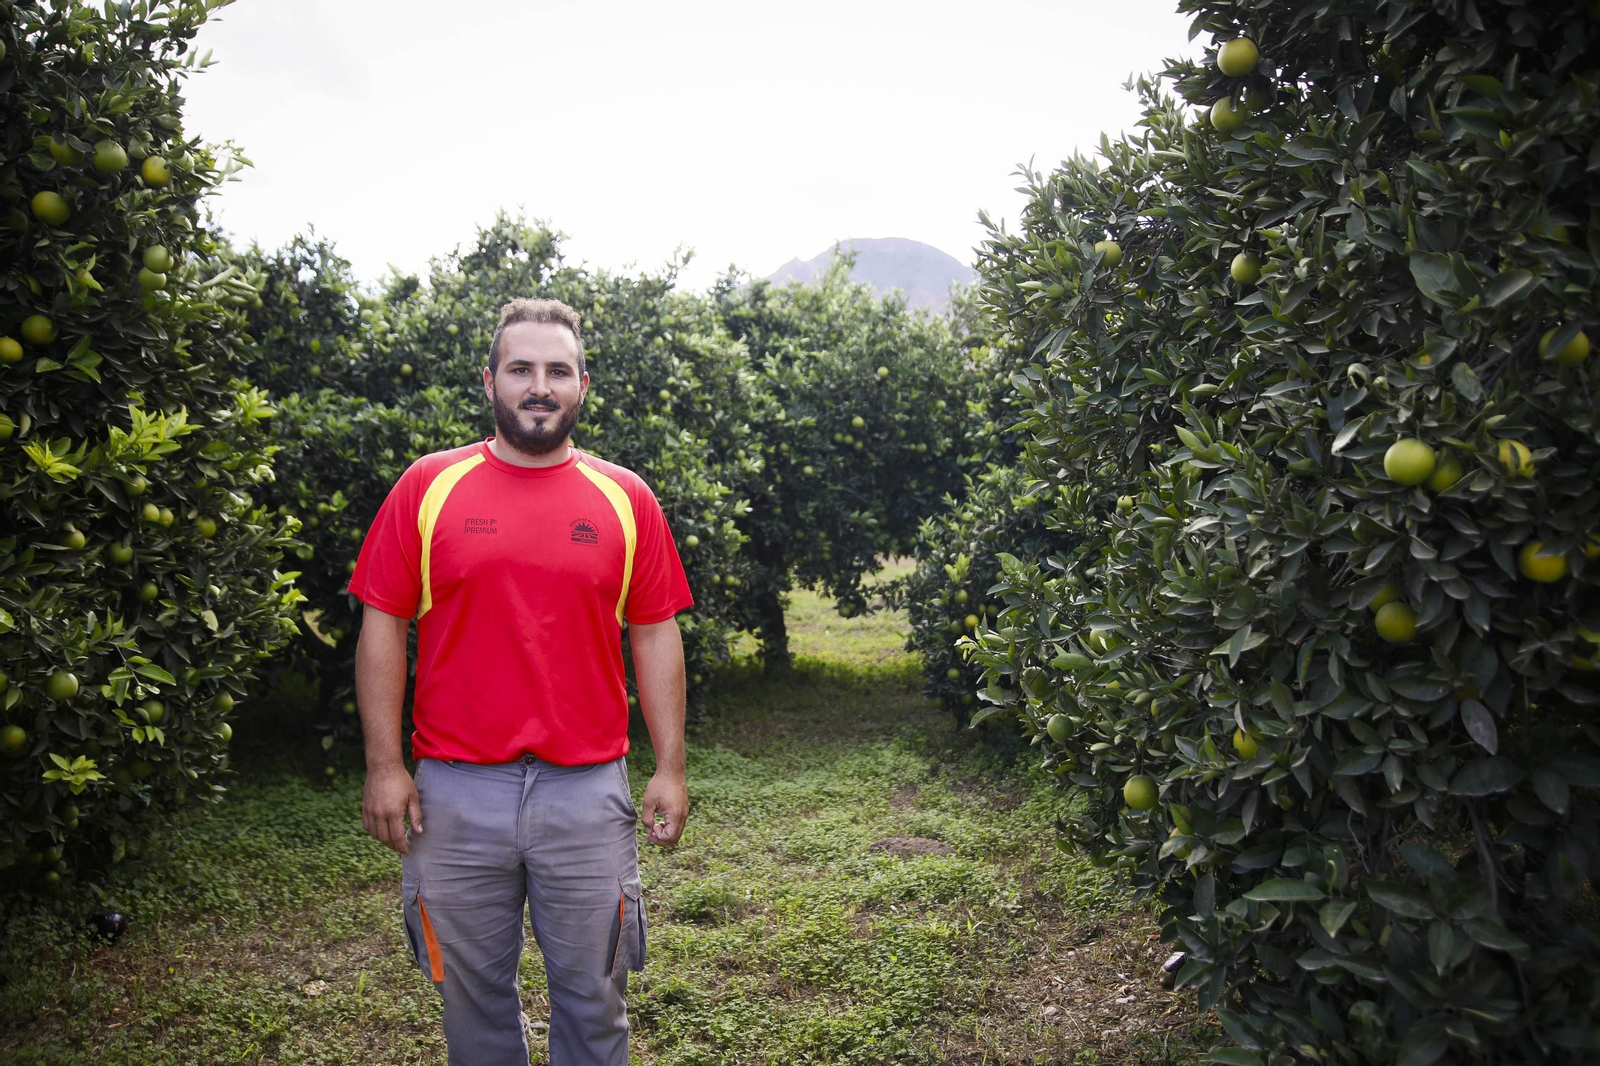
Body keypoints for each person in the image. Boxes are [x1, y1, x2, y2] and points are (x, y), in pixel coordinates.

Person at [348, 297, 692, 1066]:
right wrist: (383, 765)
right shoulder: (428, 487)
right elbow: (383, 624)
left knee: (595, 1004)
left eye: (558, 371)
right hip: (455, 794)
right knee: (473, 1010)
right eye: (521, 369)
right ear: (490, 381)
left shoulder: (626, 498)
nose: (540, 387)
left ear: (582, 386)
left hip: (587, 793)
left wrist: (670, 766)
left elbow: (654, 631)